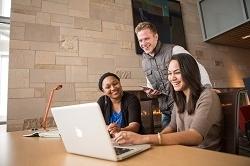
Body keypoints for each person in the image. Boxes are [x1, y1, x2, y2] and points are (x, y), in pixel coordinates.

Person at [114, 53, 223, 151]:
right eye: (169, 73)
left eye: (177, 72)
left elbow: (195, 136)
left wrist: (144, 138)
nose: (172, 78)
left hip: (205, 156)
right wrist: (152, 143)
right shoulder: (180, 98)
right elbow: (172, 127)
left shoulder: (208, 96)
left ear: (190, 72)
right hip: (184, 153)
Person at [135, 21, 212, 128]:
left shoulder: (175, 50)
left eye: (146, 38)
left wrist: (207, 89)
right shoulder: (144, 60)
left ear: (156, 36)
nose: (143, 43)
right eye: (140, 40)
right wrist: (151, 92)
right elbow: (150, 83)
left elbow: (197, 68)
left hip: (182, 107)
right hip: (165, 110)